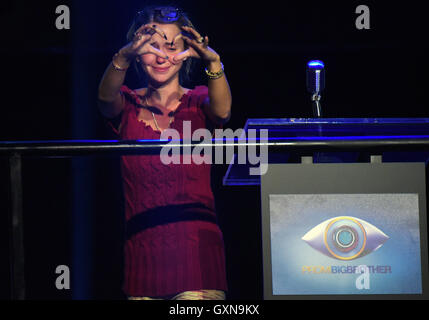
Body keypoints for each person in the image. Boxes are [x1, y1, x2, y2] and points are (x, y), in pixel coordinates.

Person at [97, 5, 232, 300]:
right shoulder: (128, 105)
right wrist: (122, 55)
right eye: (151, 46)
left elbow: (222, 111)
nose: (161, 57)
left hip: (197, 259)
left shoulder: (198, 100)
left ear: (187, 51)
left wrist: (213, 61)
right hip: (143, 259)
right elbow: (105, 98)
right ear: (137, 51)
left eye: (172, 47)